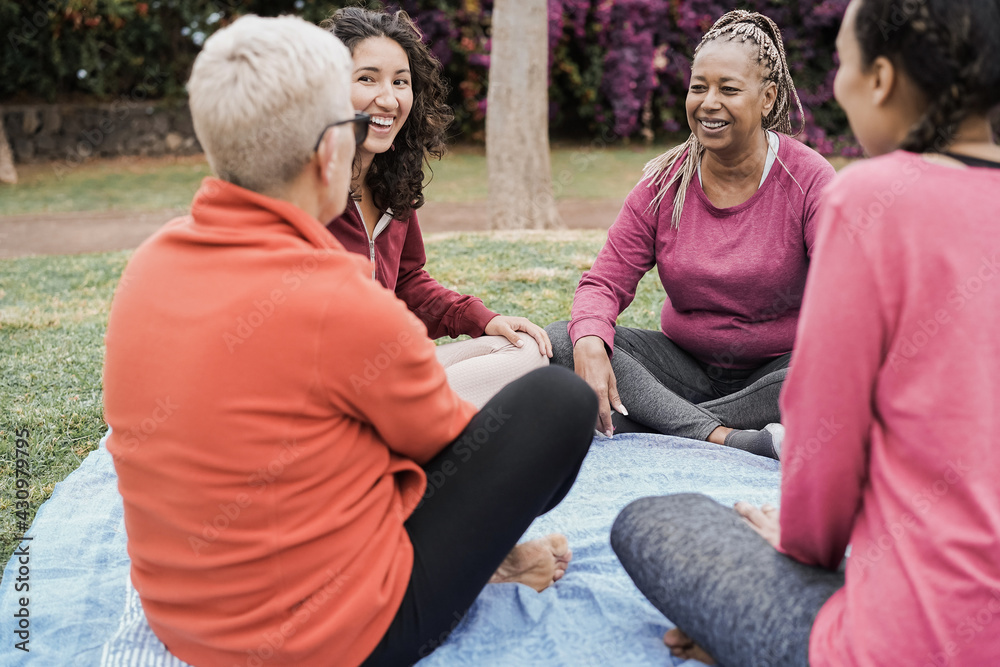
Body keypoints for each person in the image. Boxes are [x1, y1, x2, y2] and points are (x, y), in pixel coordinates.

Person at [103, 15, 597, 667]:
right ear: (330, 151)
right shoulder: (340, 297)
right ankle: (494, 561)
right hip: (332, 638)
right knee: (560, 400)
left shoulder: (148, 263)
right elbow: (446, 450)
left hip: (181, 620)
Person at [611, 0, 1000, 664]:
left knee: (648, 520)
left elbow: (826, 435)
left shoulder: (862, 197)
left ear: (880, 80)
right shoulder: (668, 181)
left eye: (843, 66)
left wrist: (793, 553)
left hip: (894, 639)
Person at [547, 10, 836, 458]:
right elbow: (604, 283)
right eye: (699, 87)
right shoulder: (665, 183)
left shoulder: (808, 179)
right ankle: (730, 439)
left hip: (777, 373)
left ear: (767, 98)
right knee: (568, 339)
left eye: (729, 89)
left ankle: (657, 420)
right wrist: (588, 340)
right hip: (683, 367)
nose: (708, 102)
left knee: (829, 374)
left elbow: (846, 290)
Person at [322, 7, 550, 409]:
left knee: (523, 351)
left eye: (400, 82)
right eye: (366, 79)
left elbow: (408, 282)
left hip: (388, 374)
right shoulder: (306, 190)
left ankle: (408, 420)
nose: (388, 99)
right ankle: (405, 422)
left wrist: (483, 319)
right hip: (324, 387)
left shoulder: (393, 186)